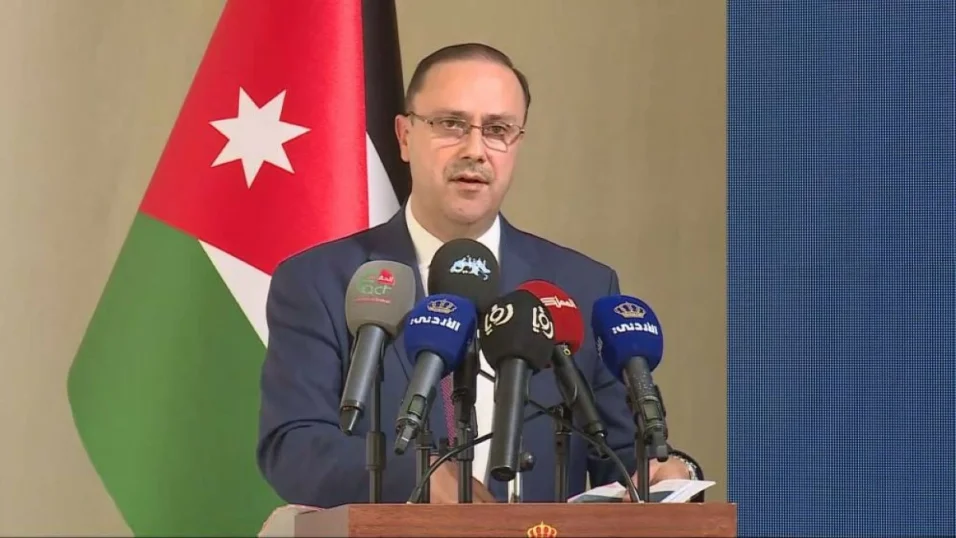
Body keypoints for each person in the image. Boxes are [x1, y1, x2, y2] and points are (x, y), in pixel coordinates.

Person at [257, 42, 703, 507]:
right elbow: (293, 447)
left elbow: (626, 459)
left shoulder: (582, 287)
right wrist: (418, 479)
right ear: (405, 137)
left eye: (498, 130)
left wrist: (673, 471)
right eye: (451, 124)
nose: (475, 150)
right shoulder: (321, 281)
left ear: (517, 143)